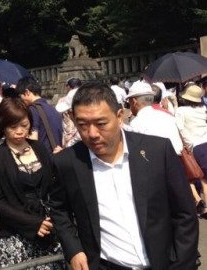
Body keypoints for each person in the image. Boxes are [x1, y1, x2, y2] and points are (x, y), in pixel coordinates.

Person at [49, 82, 199, 270]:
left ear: (120, 116)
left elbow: (185, 214)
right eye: (82, 125)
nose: (92, 133)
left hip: (164, 263)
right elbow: (59, 210)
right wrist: (74, 249)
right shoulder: (67, 162)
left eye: (101, 123)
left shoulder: (157, 151)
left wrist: (183, 264)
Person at [0, 97, 66, 269]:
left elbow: (54, 184)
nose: (20, 131)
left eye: (24, 125)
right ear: (2, 126)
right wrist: (31, 223)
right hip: (15, 234)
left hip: (48, 229)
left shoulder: (39, 148)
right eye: (13, 127)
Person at [175, 84, 207, 217]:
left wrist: (186, 143)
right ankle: (201, 202)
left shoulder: (181, 111)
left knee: (195, 176)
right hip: (205, 141)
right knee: (203, 178)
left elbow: (179, 128)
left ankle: (202, 204)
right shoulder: (203, 108)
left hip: (195, 146)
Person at [126, 80, 183, 154]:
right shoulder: (168, 116)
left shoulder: (136, 124)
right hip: (177, 161)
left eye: (129, 101)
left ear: (134, 101)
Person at [16, 77, 63, 154]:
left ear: (27, 92)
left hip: (45, 158)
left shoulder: (32, 110)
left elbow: (33, 138)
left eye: (20, 95)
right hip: (57, 156)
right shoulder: (52, 109)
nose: (20, 99)